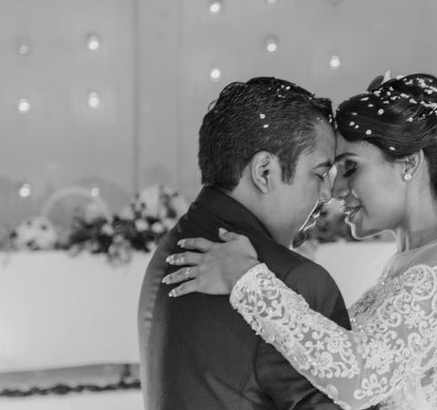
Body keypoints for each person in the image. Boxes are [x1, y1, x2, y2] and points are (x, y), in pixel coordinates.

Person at [166, 74, 437, 410]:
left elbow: (357, 378)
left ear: (408, 164)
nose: (336, 192)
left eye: (350, 168)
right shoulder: (419, 260)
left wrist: (249, 282)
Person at [137, 77, 351, 410]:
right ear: (264, 171)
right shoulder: (293, 281)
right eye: (320, 173)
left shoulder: (172, 246)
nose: (327, 195)